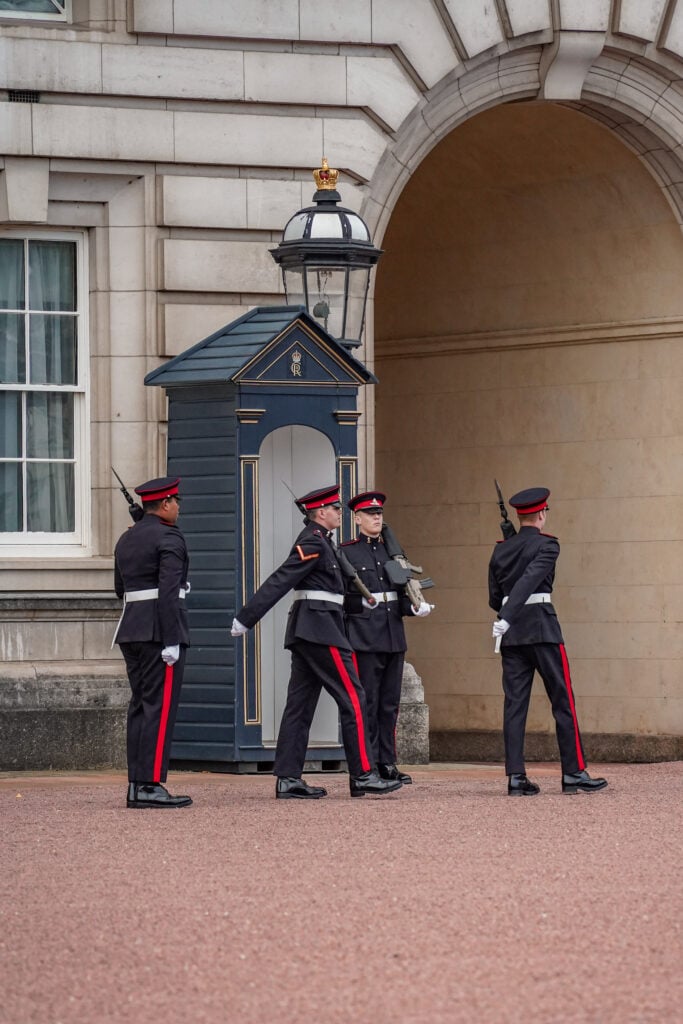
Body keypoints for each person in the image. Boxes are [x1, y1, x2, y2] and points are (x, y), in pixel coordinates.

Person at [230, 484, 403, 800]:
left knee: (300, 704)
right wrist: (247, 617)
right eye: (335, 509)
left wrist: (359, 605)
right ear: (320, 513)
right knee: (354, 697)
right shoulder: (313, 541)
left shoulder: (325, 542)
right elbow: (283, 579)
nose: (340, 512)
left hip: (313, 627)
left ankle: (288, 777)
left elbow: (328, 592)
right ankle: (363, 774)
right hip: (321, 630)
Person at [489, 487, 608, 796]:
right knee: (563, 700)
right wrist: (509, 614)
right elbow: (530, 580)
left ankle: (516, 777)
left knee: (514, 706)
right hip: (542, 629)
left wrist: (506, 616)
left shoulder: (501, 549)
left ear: (519, 515)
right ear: (541, 514)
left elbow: (493, 597)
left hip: (513, 635)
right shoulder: (548, 546)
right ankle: (573, 772)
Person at [341, 491, 432, 784]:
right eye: (370, 514)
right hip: (365, 637)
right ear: (357, 519)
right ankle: (367, 765)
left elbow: (399, 592)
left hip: (393, 634)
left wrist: (415, 607)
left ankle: (387, 762)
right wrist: (360, 604)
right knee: (368, 703)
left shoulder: (391, 552)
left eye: (379, 513)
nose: (377, 518)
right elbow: (342, 598)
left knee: (390, 704)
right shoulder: (347, 552)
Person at [113, 476, 192, 809]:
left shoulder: (126, 539)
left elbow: (121, 589)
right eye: (176, 502)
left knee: (141, 707)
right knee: (159, 709)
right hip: (159, 632)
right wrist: (171, 640)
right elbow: (169, 591)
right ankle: (150, 784)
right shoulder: (169, 537)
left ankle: (136, 783)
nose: (178, 507)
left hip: (130, 629)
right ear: (164, 505)